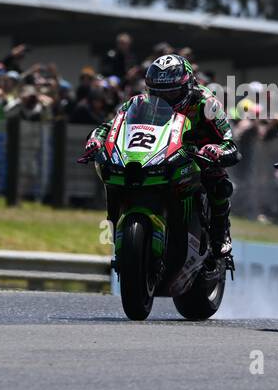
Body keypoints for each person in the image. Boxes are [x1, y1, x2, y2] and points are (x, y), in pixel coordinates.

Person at [81, 54, 240, 258]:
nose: (164, 99)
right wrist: (96, 140)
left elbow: (230, 142)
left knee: (219, 184)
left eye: (172, 93)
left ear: (188, 86)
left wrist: (216, 150)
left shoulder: (207, 103)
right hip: (159, 153)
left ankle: (220, 234)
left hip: (197, 153)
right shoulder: (138, 103)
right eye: (158, 93)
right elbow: (110, 126)